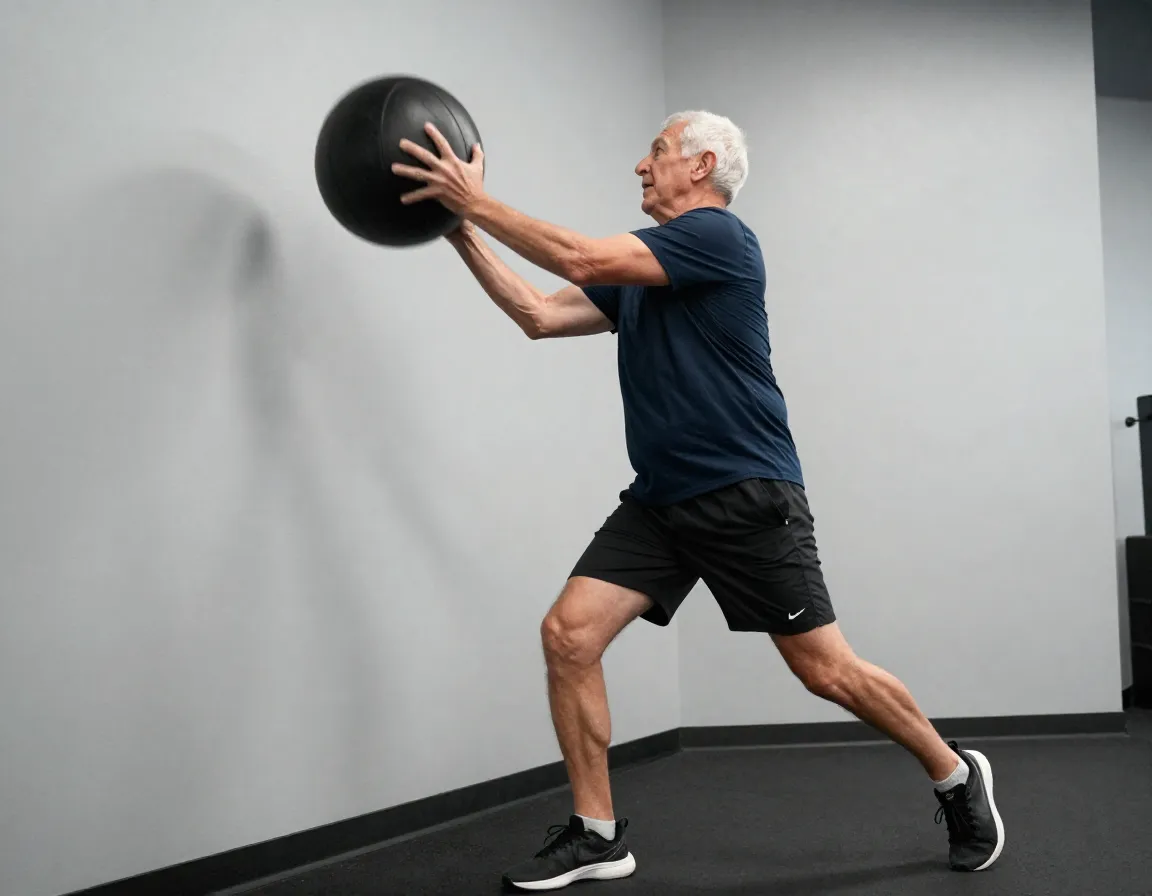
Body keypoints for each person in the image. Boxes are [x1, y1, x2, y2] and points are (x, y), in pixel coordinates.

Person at [392, 110, 1005, 891]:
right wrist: (457, 230)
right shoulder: (646, 273)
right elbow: (541, 316)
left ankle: (954, 774)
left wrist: (476, 201)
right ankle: (598, 833)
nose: (641, 168)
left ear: (701, 164)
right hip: (661, 502)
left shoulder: (719, 238)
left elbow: (579, 256)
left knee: (826, 671)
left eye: (655, 154)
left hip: (746, 494)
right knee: (568, 636)